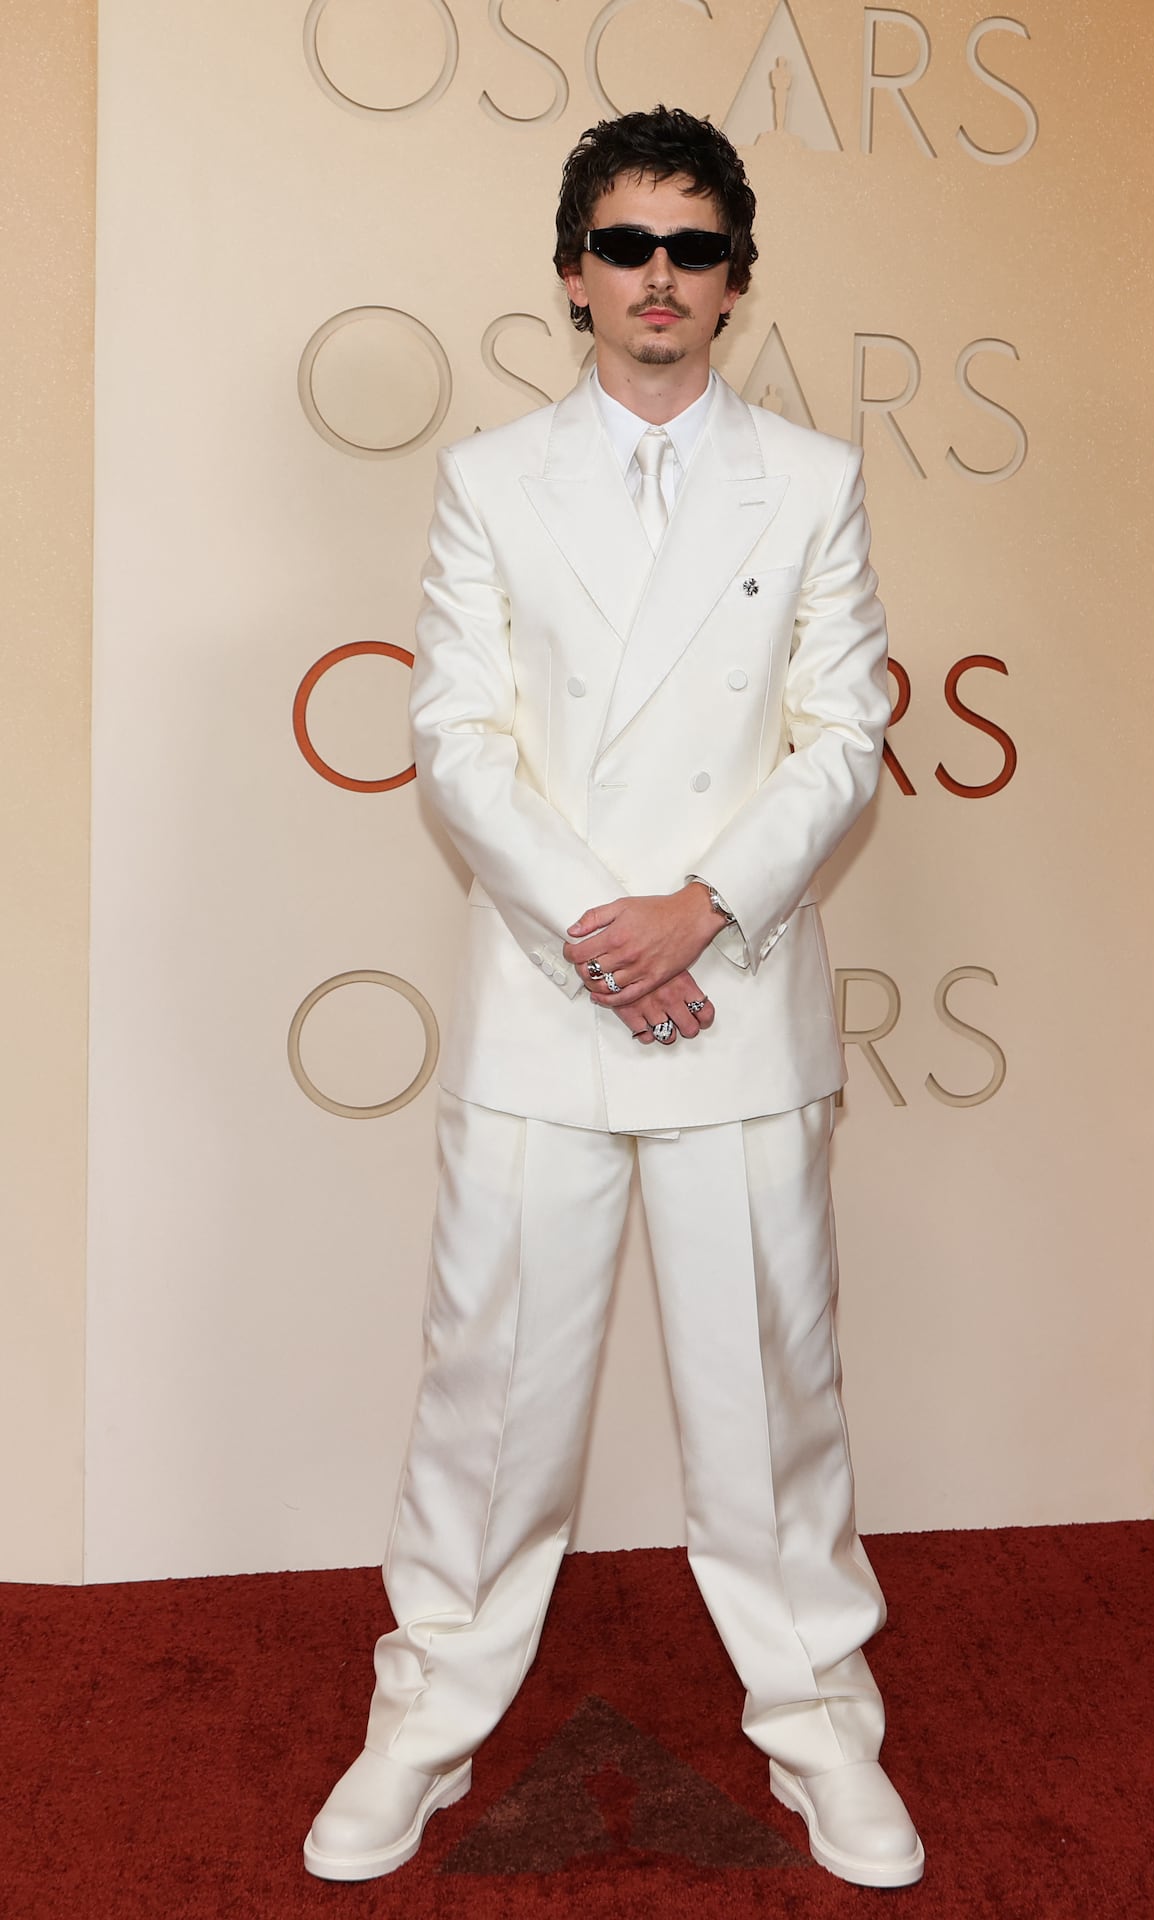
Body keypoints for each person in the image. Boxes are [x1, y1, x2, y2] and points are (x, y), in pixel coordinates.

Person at [303, 104, 923, 1891]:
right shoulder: (495, 480)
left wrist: (702, 913)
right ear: (573, 271)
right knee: (489, 1402)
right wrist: (606, 927)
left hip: (732, 998)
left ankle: (821, 1735)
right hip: (548, 1001)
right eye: (628, 245)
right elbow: (457, 743)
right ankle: (420, 1726)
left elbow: (845, 736)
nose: (661, 278)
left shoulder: (807, 480)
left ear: (736, 276)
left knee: (770, 1407)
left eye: (695, 246)